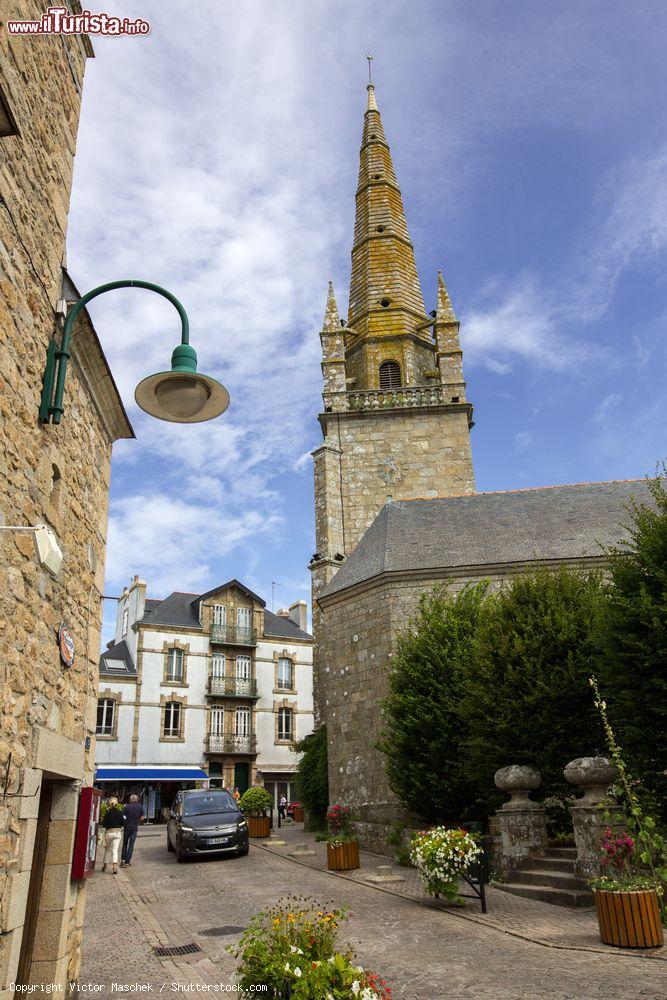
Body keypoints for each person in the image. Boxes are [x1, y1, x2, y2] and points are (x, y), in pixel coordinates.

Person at [120, 794, 145, 867]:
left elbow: (122, 816)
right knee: (131, 845)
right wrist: (138, 821)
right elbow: (142, 817)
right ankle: (128, 862)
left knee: (125, 844)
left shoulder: (126, 806)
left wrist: (125, 822)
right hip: (134, 828)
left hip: (127, 828)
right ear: (137, 799)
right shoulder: (140, 807)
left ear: (130, 800)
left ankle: (123, 860)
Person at [101, 796, 124, 874]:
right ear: (117, 804)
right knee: (115, 850)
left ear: (109, 804)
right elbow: (123, 822)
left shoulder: (107, 813)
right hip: (117, 833)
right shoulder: (120, 812)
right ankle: (114, 868)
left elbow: (104, 824)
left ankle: (104, 865)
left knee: (107, 850)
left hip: (109, 833)